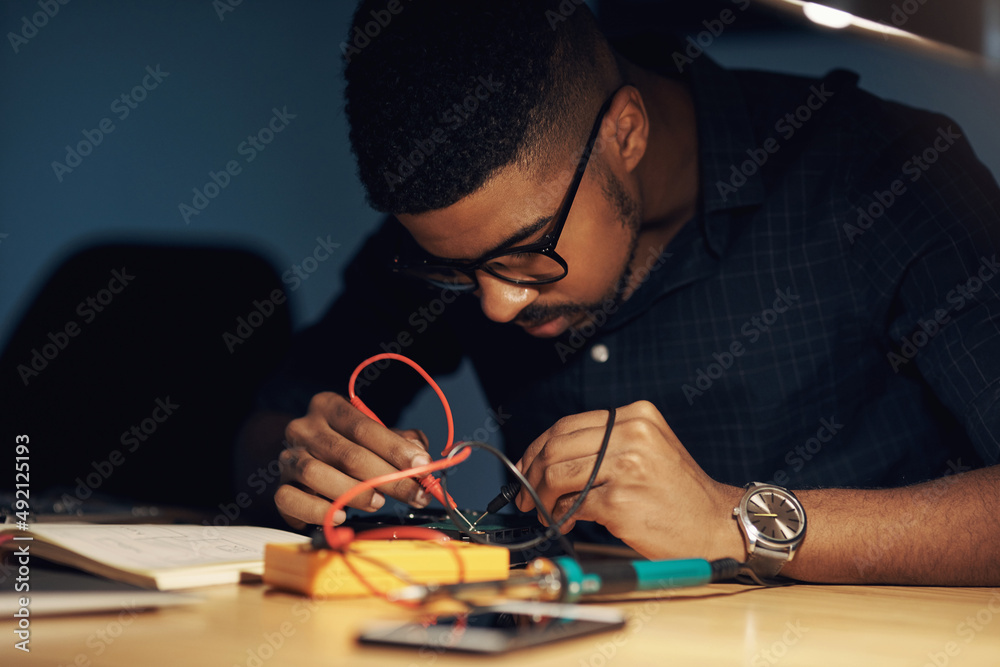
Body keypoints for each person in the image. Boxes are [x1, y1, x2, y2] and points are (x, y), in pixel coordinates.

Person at [238, 0, 1000, 585]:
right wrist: (307, 460)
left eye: (527, 253)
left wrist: (737, 523)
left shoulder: (887, 170)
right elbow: (266, 427)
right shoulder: (457, 235)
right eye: (459, 272)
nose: (496, 305)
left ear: (625, 135)